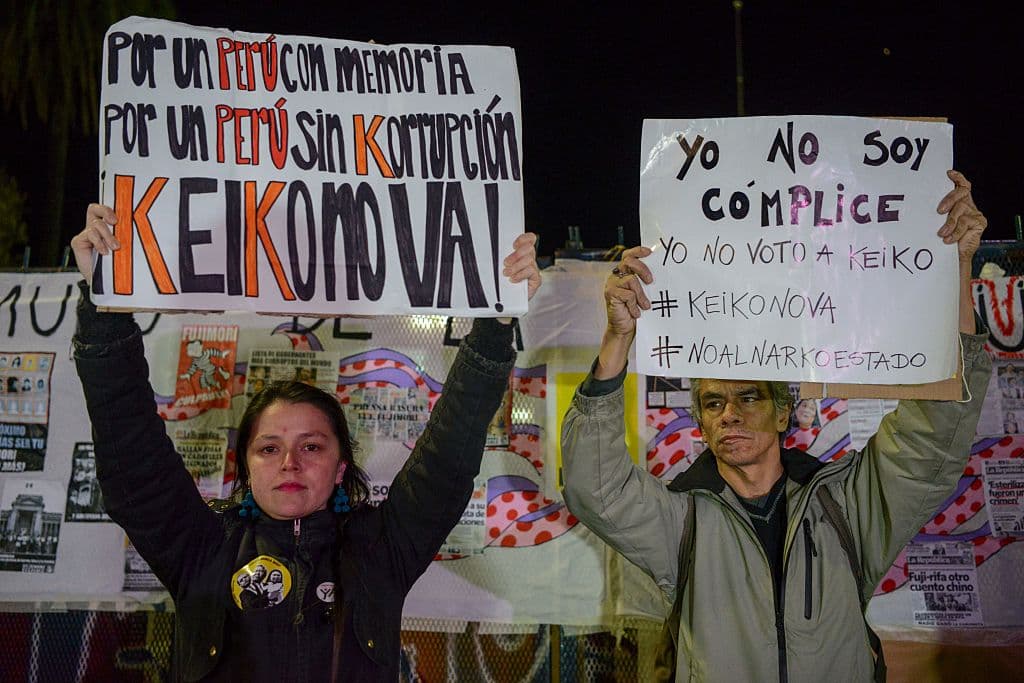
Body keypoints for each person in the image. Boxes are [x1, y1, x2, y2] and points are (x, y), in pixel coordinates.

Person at [72, 203, 541, 682]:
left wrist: (496, 323)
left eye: (312, 447)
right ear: (246, 466)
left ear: (341, 468)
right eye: (268, 448)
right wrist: (101, 306)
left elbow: (448, 453)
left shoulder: (381, 548)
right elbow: (131, 448)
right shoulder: (201, 547)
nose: (290, 463)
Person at [560, 170, 990, 682]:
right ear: (699, 421)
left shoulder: (847, 506)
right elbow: (594, 487)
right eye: (713, 403)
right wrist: (617, 339)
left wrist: (956, 266)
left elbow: (933, 435)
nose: (729, 414)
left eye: (748, 397)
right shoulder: (682, 521)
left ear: (784, 413)